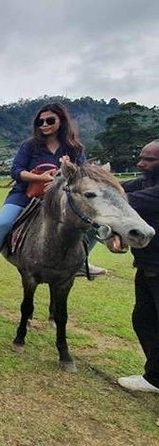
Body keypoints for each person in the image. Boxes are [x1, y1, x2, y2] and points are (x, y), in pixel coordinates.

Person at [0, 102, 106, 280]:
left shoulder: (74, 148)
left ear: (61, 121)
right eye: (40, 122)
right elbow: (16, 171)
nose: (44, 125)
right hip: (25, 194)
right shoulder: (29, 145)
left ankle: (81, 261)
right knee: (3, 223)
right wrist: (41, 178)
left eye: (50, 120)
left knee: (95, 223)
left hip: (61, 196)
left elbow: (83, 176)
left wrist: (69, 167)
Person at [118, 140, 159, 393]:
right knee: (144, 320)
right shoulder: (145, 182)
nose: (140, 163)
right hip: (147, 266)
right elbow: (118, 190)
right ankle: (155, 377)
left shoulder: (149, 192)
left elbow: (121, 200)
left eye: (148, 160)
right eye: (140, 157)